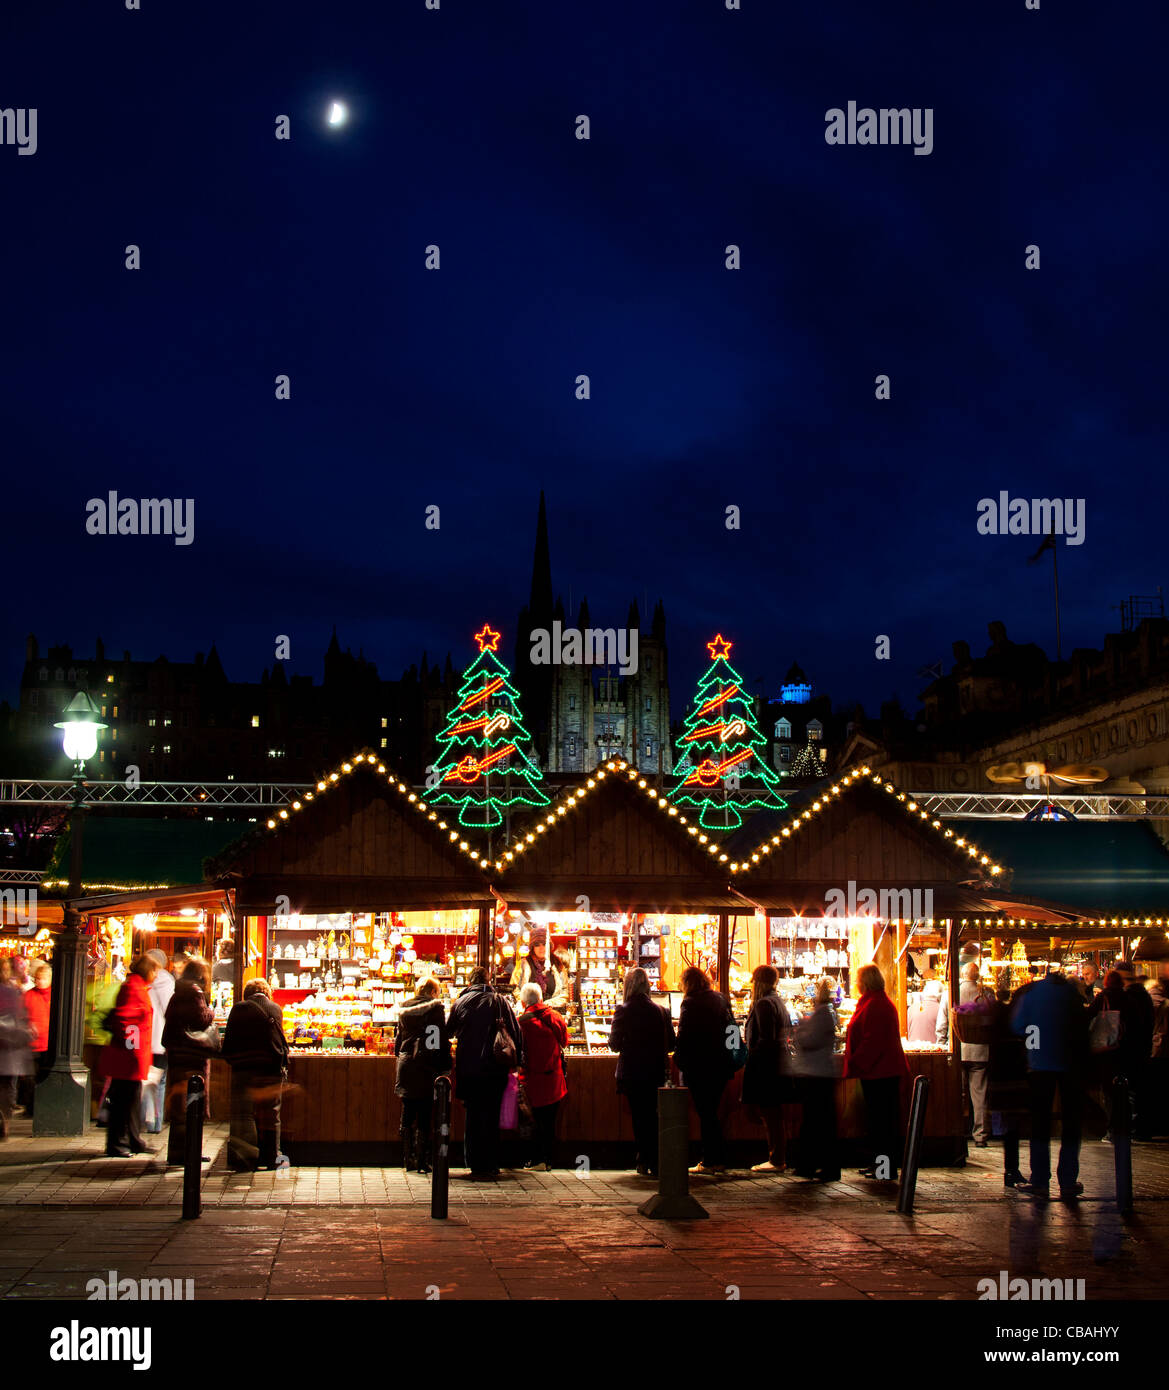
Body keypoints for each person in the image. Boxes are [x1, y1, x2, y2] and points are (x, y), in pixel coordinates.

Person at [1010, 966, 1088, 1201]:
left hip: (1039, 1065)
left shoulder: (1032, 993)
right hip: (1071, 1064)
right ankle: (1068, 1180)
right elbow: (1083, 1026)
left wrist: (1035, 1039)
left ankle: (1040, 1180)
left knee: (1040, 1123)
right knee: (1072, 1123)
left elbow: (1018, 1026)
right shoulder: (1072, 995)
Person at [447, 965, 522, 1179]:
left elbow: (448, 1030)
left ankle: (473, 1161)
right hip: (494, 1067)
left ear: (470, 982)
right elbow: (515, 1032)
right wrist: (519, 1060)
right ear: (488, 980)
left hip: (469, 1067)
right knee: (491, 1114)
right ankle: (490, 1162)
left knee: (473, 1114)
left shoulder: (460, 1002)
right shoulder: (500, 1001)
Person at [844, 962, 909, 1181]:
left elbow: (873, 1041)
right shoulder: (875, 1002)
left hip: (881, 1073)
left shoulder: (876, 1005)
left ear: (866, 982)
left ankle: (884, 1169)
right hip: (878, 1071)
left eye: (858, 979)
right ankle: (878, 1164)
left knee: (883, 1124)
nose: (856, 983)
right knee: (878, 1122)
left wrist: (856, 1062)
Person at [609, 967, 675, 1175]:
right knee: (654, 1116)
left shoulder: (623, 1010)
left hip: (632, 1073)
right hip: (655, 1071)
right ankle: (656, 1161)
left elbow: (614, 1044)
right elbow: (672, 1044)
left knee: (639, 1117)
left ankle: (644, 1159)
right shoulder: (662, 1011)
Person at [673, 966, 738, 1175]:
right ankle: (717, 1158)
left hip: (699, 1066)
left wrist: (679, 1060)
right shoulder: (721, 999)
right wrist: (731, 1057)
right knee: (711, 1111)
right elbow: (732, 1030)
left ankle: (712, 1160)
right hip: (720, 1065)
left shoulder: (689, 1003)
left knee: (706, 1112)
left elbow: (683, 1036)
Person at [223, 978, 289, 1171]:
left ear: (247, 993)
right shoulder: (275, 1008)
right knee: (272, 1114)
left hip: (243, 1068)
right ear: (267, 992)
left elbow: (229, 1042)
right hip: (270, 1068)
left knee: (243, 1114)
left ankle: (244, 1158)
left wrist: (232, 1059)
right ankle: (273, 1157)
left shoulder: (238, 1009)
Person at [97, 954, 158, 1157]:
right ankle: (117, 1144)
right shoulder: (133, 988)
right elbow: (127, 1020)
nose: (157, 974)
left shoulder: (137, 986)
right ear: (148, 970)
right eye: (155, 970)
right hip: (128, 1058)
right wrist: (132, 1050)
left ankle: (133, 1140)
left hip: (131, 1056)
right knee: (123, 1102)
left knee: (130, 1101)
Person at [162, 957, 220, 1166]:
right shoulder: (194, 993)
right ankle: (190, 1150)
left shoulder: (178, 992)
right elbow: (201, 1019)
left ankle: (178, 1151)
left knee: (180, 1105)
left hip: (178, 1053)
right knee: (193, 1104)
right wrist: (212, 1011)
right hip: (193, 1055)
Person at [1089, 962, 1156, 1142]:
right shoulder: (1131, 999)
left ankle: (1115, 1129)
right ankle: (1128, 1128)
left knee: (1111, 1092)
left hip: (1109, 1050)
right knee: (1128, 1091)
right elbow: (1139, 1024)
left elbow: (1087, 1016)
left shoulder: (1104, 997)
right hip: (1130, 1050)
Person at [741, 964, 795, 1173]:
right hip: (776, 1063)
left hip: (766, 1066)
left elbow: (766, 1038)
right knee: (772, 1112)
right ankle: (776, 1156)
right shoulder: (777, 1001)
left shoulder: (764, 1004)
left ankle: (776, 1159)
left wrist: (752, 1055)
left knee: (769, 1112)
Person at [394, 976, 451, 1173]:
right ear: (433, 992)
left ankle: (406, 1158)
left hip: (406, 1063)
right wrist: (445, 1065)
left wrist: (401, 1057)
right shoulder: (435, 1008)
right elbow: (438, 1038)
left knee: (408, 1111)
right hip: (427, 1065)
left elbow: (398, 1039)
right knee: (425, 1113)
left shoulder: (404, 1007)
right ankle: (421, 1160)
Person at [791, 976, 841, 1182]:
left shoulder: (821, 1015)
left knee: (815, 1121)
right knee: (820, 1121)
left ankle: (813, 1165)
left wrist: (800, 1029)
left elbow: (808, 1041)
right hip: (822, 1073)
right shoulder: (826, 1015)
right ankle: (817, 1165)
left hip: (816, 1075)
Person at [517, 981, 569, 1171]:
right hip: (554, 1080)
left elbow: (519, 1051)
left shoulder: (522, 1022)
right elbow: (564, 1041)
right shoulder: (555, 1016)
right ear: (541, 998)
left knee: (535, 1122)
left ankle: (537, 1159)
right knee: (550, 1122)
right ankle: (548, 1159)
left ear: (523, 1002)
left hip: (533, 1081)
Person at [986, 984, 1029, 1187]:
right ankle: (1012, 1170)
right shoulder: (1016, 1024)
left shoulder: (997, 1020)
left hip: (999, 1077)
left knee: (1009, 1125)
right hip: (1013, 1079)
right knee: (1013, 1126)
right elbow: (1027, 1045)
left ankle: (1011, 1170)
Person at [955, 962, 995, 1148]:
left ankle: (959, 1132)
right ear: (977, 975)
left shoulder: (954, 991)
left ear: (963, 974)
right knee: (979, 1094)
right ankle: (980, 1135)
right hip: (980, 1050)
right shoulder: (986, 994)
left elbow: (943, 1022)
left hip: (959, 1049)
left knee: (959, 1093)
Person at [141, 949, 175, 1135]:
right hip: (159, 1038)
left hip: (145, 1039)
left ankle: (146, 1120)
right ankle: (154, 1122)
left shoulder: (142, 980)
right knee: (158, 1082)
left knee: (147, 1080)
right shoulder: (165, 980)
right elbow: (169, 1009)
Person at [0, 959, 33, 1141]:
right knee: (7, 1087)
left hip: (7, 1045)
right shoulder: (12, 992)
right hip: (8, 1046)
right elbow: (20, 1016)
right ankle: (4, 1122)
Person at [20, 963, 52, 1118]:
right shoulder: (29, 996)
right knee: (30, 1078)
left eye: (43, 979)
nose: (40, 982)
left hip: (47, 1043)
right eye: (38, 979)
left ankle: (40, 1106)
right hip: (32, 1044)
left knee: (43, 1077)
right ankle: (31, 1107)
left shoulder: (54, 995)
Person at [510, 928, 567, 1009]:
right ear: (532, 947)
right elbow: (514, 988)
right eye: (537, 944)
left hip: (552, 1011)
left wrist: (549, 1004)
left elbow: (564, 992)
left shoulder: (557, 964)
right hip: (529, 1011)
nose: (541, 948)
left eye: (544, 944)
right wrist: (527, 1003)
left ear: (548, 946)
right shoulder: (523, 964)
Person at [906, 977, 948, 1046]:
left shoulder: (911, 1008)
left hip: (912, 1051)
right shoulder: (940, 1009)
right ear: (940, 994)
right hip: (934, 1052)